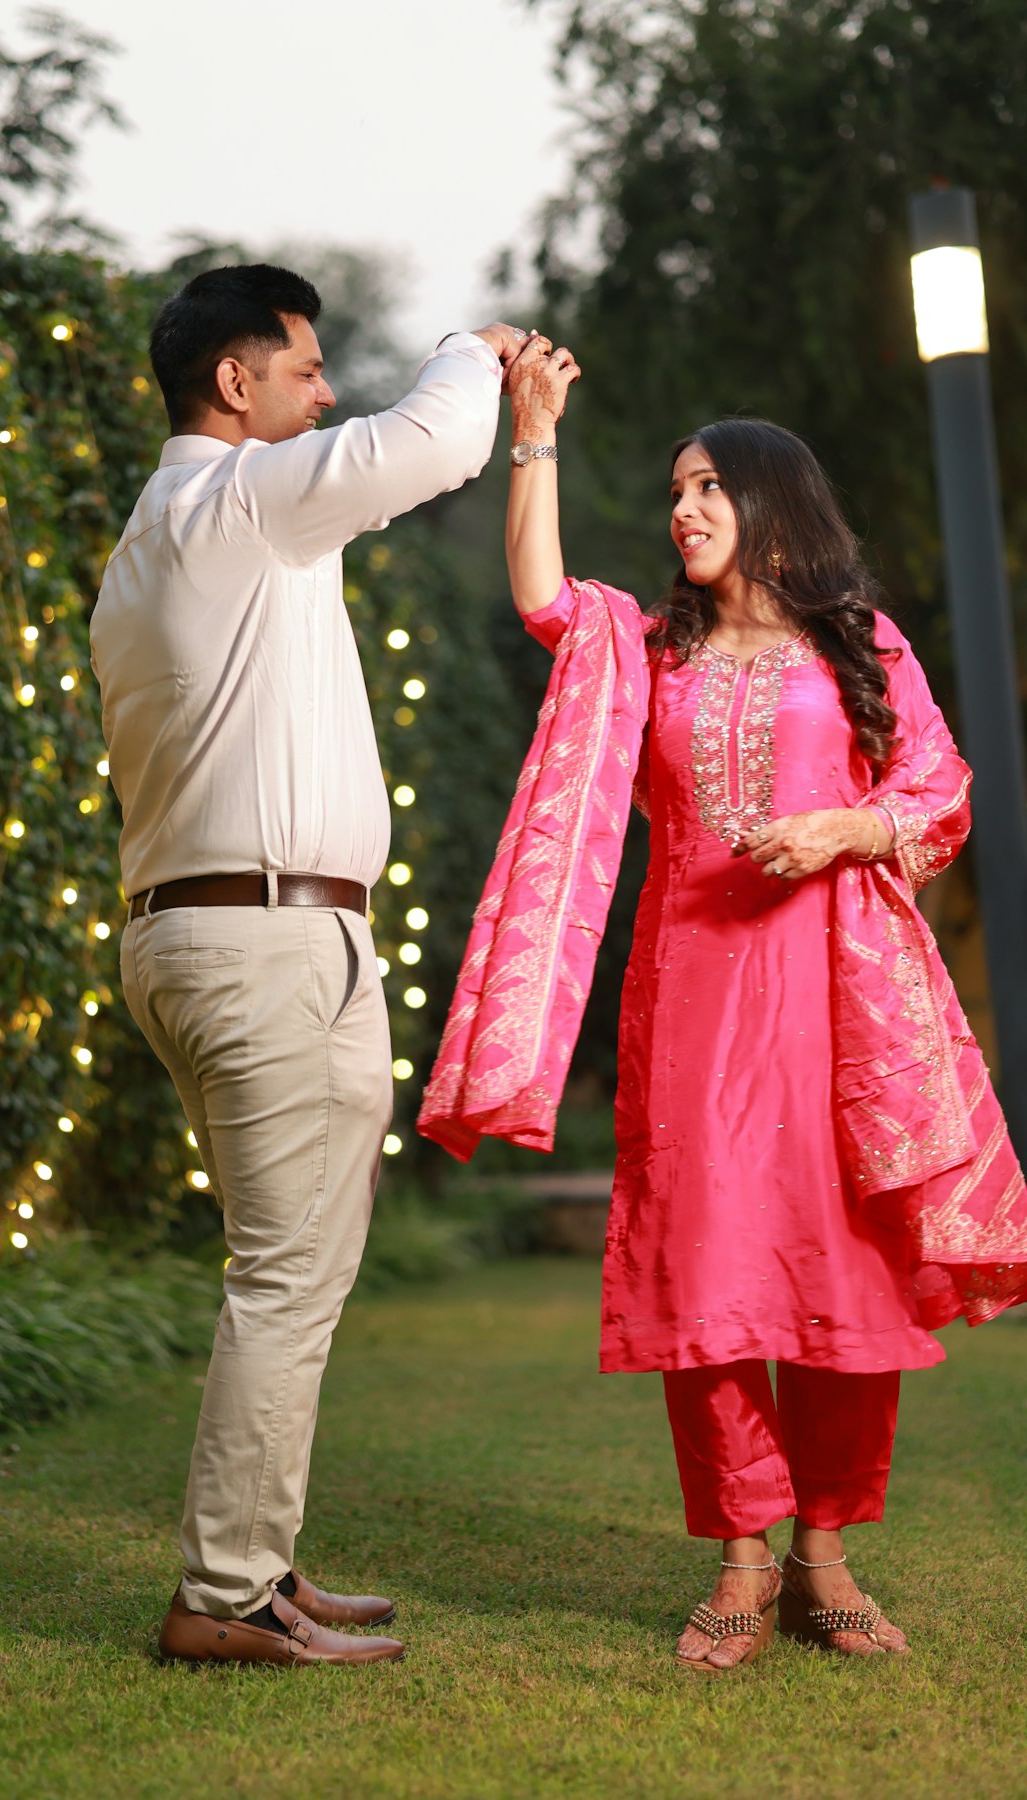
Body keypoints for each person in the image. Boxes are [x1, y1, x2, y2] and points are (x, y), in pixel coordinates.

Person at [419, 332, 1027, 1673]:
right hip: (691, 990)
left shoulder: (858, 644)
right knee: (704, 1270)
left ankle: (825, 1553)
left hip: (839, 1001)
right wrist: (535, 436)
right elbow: (538, 598)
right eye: (677, 491)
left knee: (843, 1273)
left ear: (773, 505)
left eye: (709, 488)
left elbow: (939, 787)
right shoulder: (647, 649)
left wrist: (845, 830)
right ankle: (744, 1559)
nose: (685, 509)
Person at [90, 263, 527, 1668]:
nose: (328, 391)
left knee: (293, 1275)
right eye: (307, 368)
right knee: (285, 1279)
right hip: (265, 939)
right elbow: (435, 441)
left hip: (209, 931)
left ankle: (258, 1572)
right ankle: (225, 1598)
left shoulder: (160, 537)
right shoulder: (235, 504)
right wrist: (480, 347)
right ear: (237, 382)